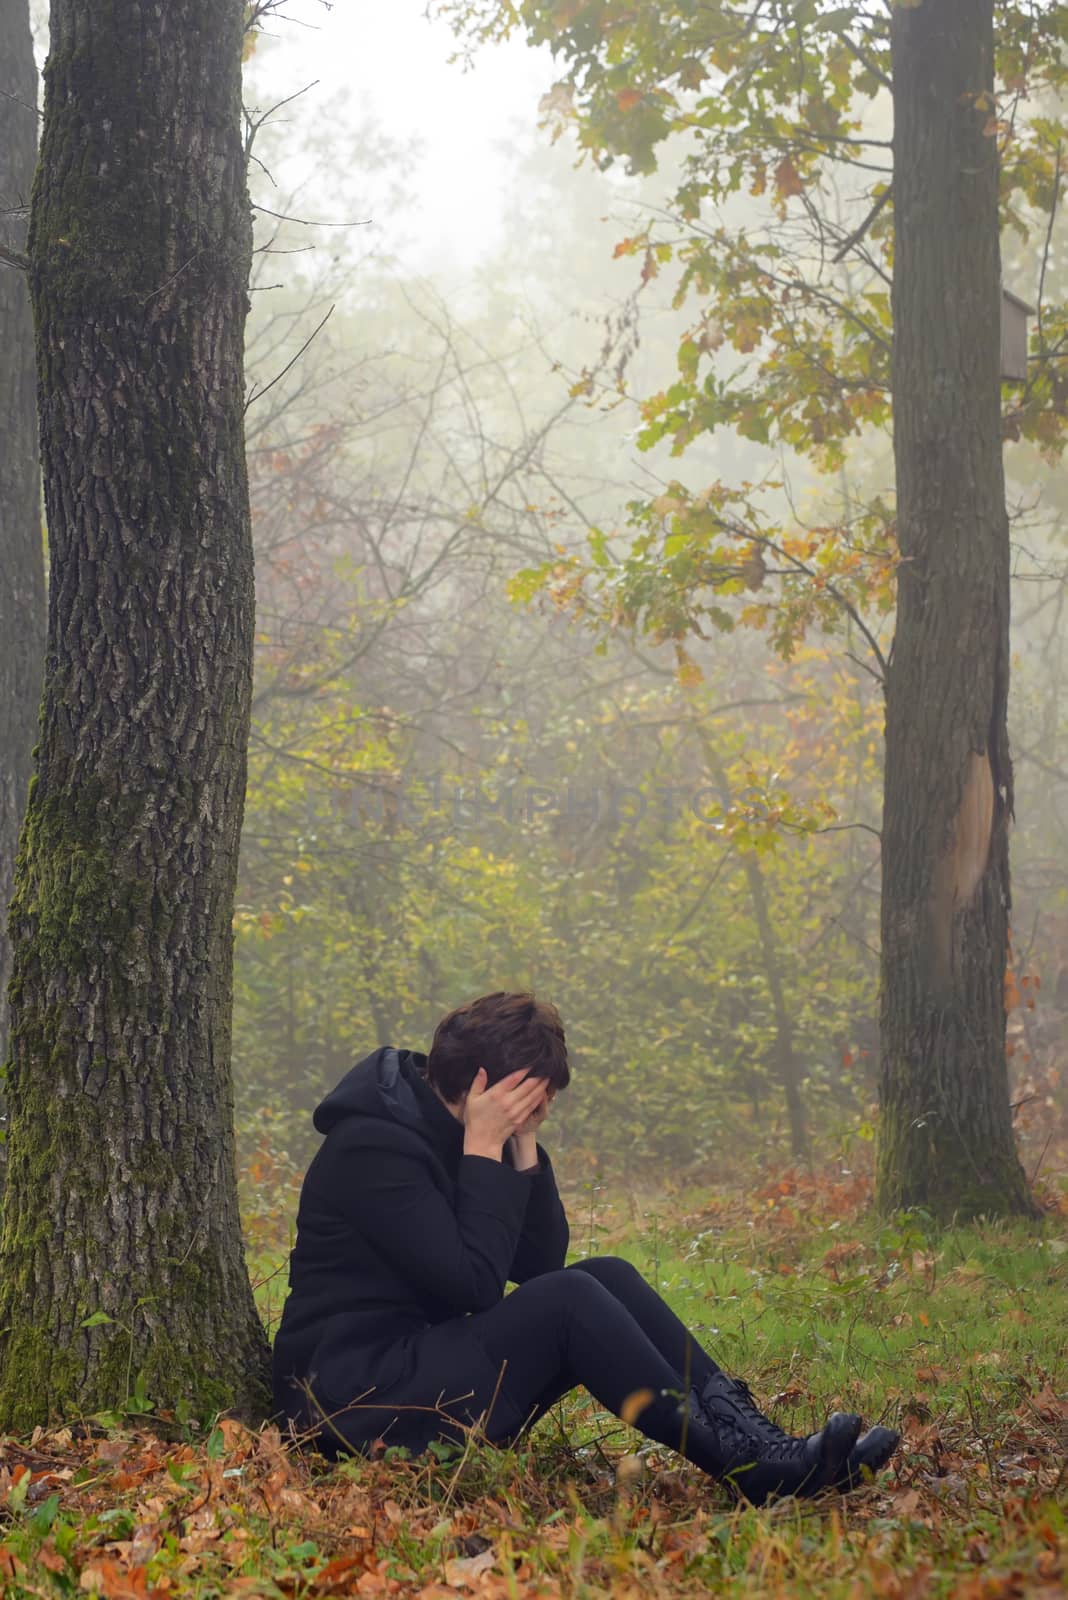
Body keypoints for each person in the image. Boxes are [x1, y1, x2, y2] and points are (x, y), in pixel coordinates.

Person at [271, 992, 899, 1505]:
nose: (539, 1110)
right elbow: (475, 1286)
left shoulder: (456, 1130)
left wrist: (521, 1149)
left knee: (606, 1274)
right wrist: (486, 1146)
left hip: (419, 1362)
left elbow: (539, 1264)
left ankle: (763, 1443)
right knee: (571, 1298)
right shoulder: (374, 1149)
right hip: (353, 1399)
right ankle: (746, 1469)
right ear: (487, 1085)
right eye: (530, 1098)